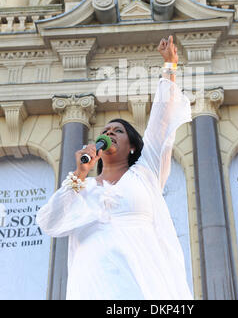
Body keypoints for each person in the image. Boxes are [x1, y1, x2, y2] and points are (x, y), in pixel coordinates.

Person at [37, 35, 193, 300]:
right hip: (94, 283)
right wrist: (80, 173)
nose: (109, 133)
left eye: (118, 131)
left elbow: (161, 119)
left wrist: (169, 67)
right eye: (106, 130)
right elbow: (50, 222)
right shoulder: (82, 186)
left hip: (142, 282)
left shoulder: (145, 173)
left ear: (132, 145)